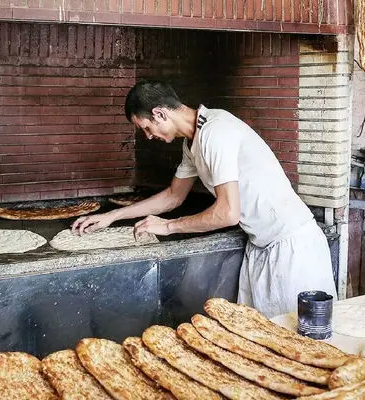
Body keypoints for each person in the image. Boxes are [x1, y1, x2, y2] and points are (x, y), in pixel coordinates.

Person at [72, 79, 337, 318]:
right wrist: (112, 216)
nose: (148, 136)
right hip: (262, 248)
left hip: (292, 249)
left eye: (146, 127)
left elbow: (227, 212)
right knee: (261, 346)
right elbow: (174, 196)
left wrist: (167, 226)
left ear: (160, 113)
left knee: (300, 345)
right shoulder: (193, 142)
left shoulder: (216, 132)